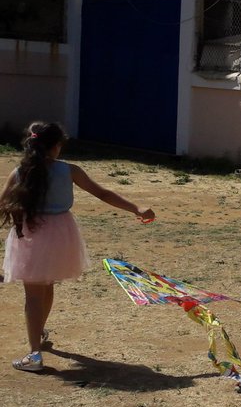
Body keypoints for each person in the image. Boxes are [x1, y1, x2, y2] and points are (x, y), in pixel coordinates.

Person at [1, 121, 155, 372]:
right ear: (56, 146)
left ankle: (35, 353)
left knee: (33, 294)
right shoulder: (69, 170)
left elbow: (2, 203)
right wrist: (136, 208)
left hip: (30, 234)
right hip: (61, 234)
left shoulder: (20, 172)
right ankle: (37, 334)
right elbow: (103, 193)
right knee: (47, 285)